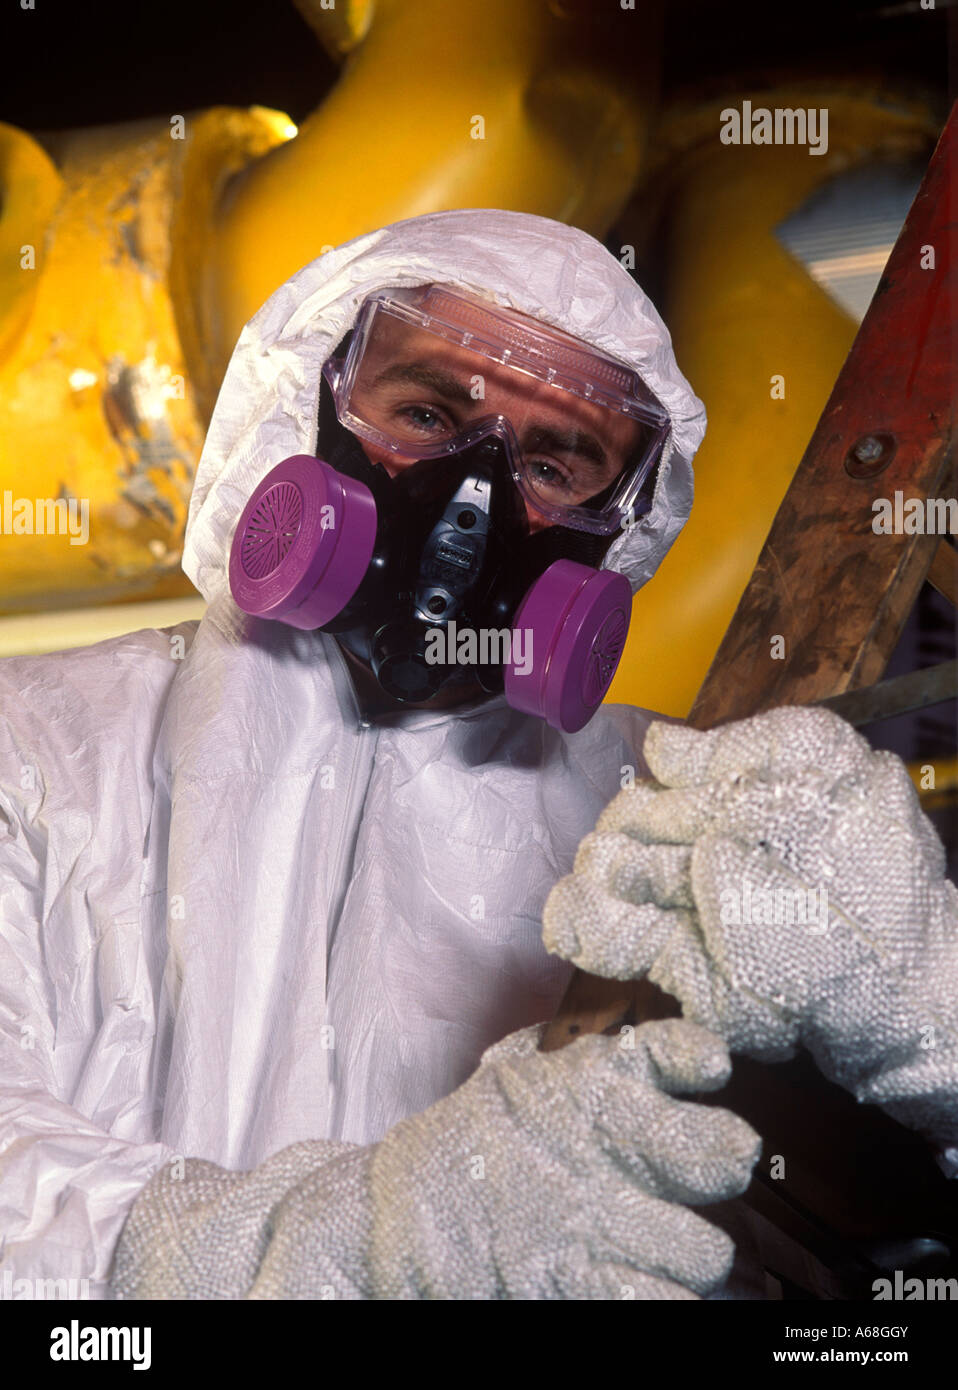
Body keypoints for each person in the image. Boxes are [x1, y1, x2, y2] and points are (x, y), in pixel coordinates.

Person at [1, 210, 954, 1302]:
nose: (472, 501)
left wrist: (932, 1022)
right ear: (295, 411)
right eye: (424, 412)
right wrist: (322, 1254)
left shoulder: (684, 816)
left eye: (555, 462)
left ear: (621, 532)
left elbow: (865, 1258)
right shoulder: (34, 739)